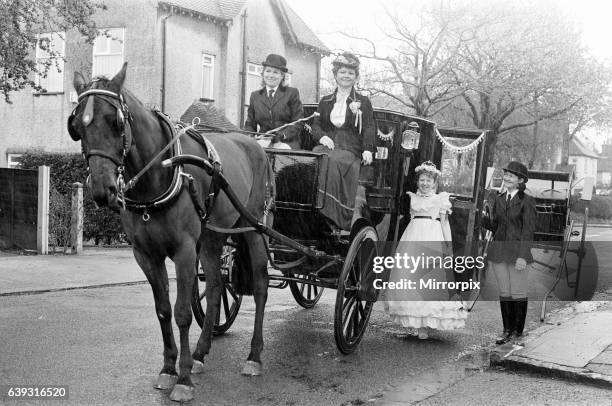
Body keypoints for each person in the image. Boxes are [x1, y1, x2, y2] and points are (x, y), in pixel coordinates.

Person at [385, 161, 467, 340]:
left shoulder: (441, 199)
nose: (425, 184)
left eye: (428, 181)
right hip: (413, 238)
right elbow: (412, 219)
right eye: (422, 180)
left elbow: (445, 224)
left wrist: (448, 245)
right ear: (418, 181)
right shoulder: (413, 198)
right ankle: (416, 323)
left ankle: (428, 324)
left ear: (434, 183)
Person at [311, 52, 375, 230]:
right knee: (315, 157)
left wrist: (368, 149)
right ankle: (311, 204)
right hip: (327, 144)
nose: (346, 76)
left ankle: (330, 212)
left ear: (356, 77)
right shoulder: (325, 101)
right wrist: (322, 136)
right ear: (335, 75)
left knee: (333, 160)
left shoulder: (363, 101)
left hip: (350, 147)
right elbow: (315, 125)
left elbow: (369, 126)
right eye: (342, 72)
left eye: (350, 73)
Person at [482, 161, 536, 345]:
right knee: (505, 291)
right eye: (505, 175)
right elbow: (495, 226)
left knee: (517, 291)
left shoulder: (527, 201)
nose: (506, 178)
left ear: (520, 180)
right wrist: (480, 217)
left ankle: (517, 331)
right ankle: (506, 330)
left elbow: (528, 232)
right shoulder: (498, 199)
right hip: (499, 253)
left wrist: (522, 255)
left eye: (511, 176)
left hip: (518, 254)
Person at [245, 54, 304, 149]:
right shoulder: (255, 96)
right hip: (263, 140)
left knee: (279, 153)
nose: (271, 75)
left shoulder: (292, 93)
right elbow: (250, 123)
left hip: (287, 141)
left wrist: (282, 135)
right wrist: (251, 137)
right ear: (263, 73)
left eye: (276, 72)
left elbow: (298, 122)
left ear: (282, 76)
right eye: (268, 71)